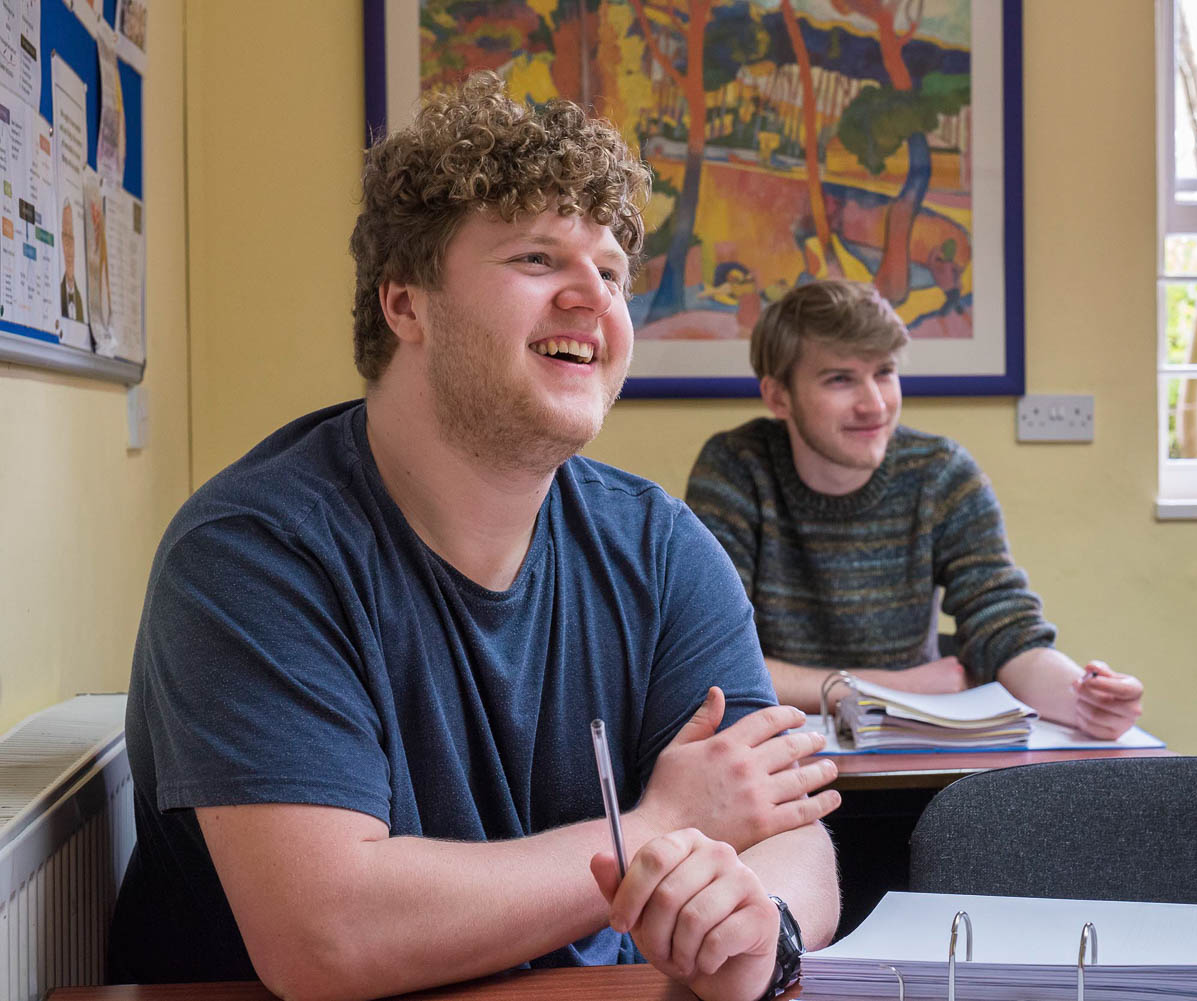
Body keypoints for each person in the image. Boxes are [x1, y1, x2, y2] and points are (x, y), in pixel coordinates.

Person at [108, 72, 840, 1001]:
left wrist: (756, 927)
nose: (593, 299)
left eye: (612, 273)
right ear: (404, 303)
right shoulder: (251, 553)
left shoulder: (662, 546)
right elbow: (328, 933)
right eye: (538, 259)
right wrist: (652, 827)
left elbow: (781, 821)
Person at [684, 279, 1144, 739]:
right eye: (840, 379)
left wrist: (1083, 698)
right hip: (776, 753)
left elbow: (1004, 625)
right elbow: (716, 658)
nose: (875, 404)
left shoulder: (941, 473)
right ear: (778, 396)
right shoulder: (735, 469)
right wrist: (899, 687)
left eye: (884, 372)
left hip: (914, 749)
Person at [59, 200, 85, 321]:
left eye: (71, 237)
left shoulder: (80, 299)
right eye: (65, 236)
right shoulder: (58, 294)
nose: (69, 246)